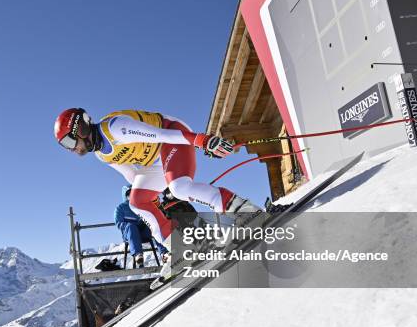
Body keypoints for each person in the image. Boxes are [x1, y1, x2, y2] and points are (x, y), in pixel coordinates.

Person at [53, 108, 264, 260]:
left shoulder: (115, 128)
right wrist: (157, 196)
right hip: (154, 162)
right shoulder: (102, 154)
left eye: (70, 142)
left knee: (179, 187)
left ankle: (244, 211)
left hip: (171, 136)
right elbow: (133, 176)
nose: (73, 149)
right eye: (66, 146)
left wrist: (202, 140)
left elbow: (161, 134)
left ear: (80, 128)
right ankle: (179, 250)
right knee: (137, 202)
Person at [115, 185, 169, 268]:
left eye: (133, 193)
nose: (131, 195)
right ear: (125, 196)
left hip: (144, 232)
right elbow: (119, 223)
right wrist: (130, 225)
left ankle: (164, 253)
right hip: (130, 233)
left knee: (154, 226)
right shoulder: (121, 208)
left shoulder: (140, 205)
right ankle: (138, 255)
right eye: (129, 193)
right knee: (131, 227)